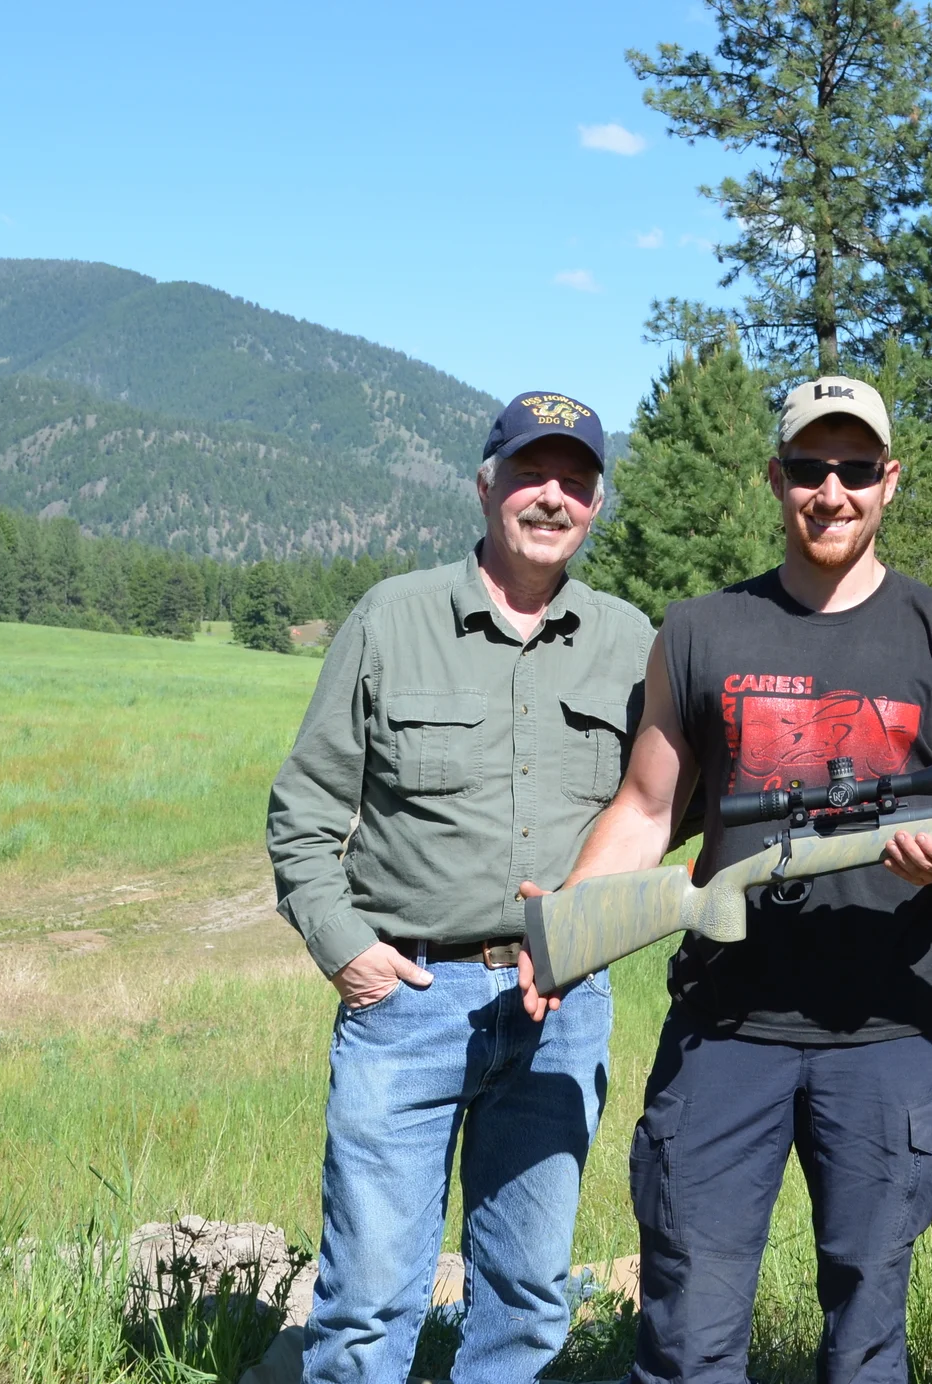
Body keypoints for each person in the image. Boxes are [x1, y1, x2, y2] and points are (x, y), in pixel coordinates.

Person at [520, 375, 932, 1384]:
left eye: (854, 469)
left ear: (889, 482)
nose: (830, 491)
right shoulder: (701, 632)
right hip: (724, 1027)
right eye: (807, 467)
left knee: (868, 1326)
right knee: (688, 1326)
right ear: (775, 478)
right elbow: (648, 810)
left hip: (884, 1031)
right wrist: (565, 927)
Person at [266, 391, 655, 1384]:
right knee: (364, 1306)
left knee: (527, 1301)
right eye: (531, 473)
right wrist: (347, 952)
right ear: (486, 486)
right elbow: (304, 812)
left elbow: (658, 814)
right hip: (411, 1002)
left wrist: (597, 930)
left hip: (563, 1004)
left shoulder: (627, 642)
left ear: (598, 505)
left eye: (575, 480)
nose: (551, 497)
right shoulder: (392, 619)